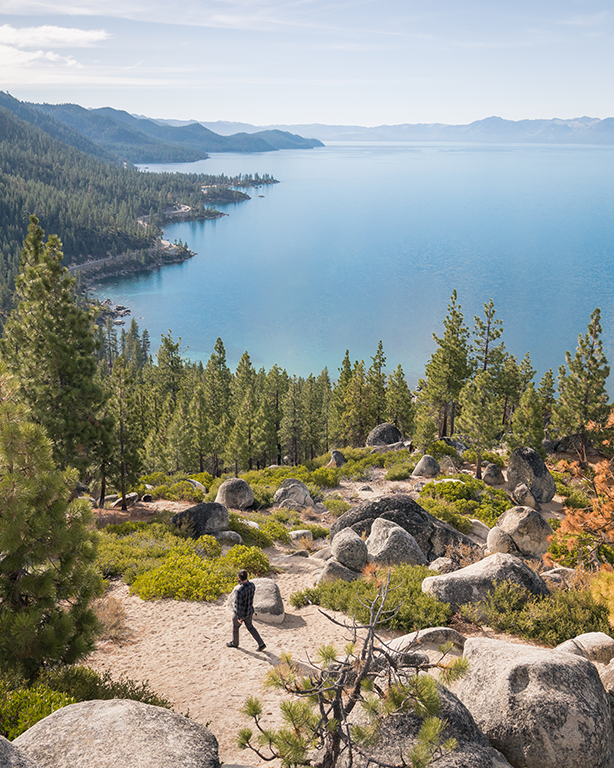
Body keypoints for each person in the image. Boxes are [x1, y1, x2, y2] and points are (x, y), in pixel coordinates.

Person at [227, 569, 266, 651]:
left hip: (242, 613)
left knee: (235, 627)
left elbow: (238, 605)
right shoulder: (252, 585)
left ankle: (235, 643)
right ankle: (261, 644)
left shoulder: (239, 590)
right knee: (250, 627)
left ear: (239, 578)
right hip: (249, 611)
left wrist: (239, 617)